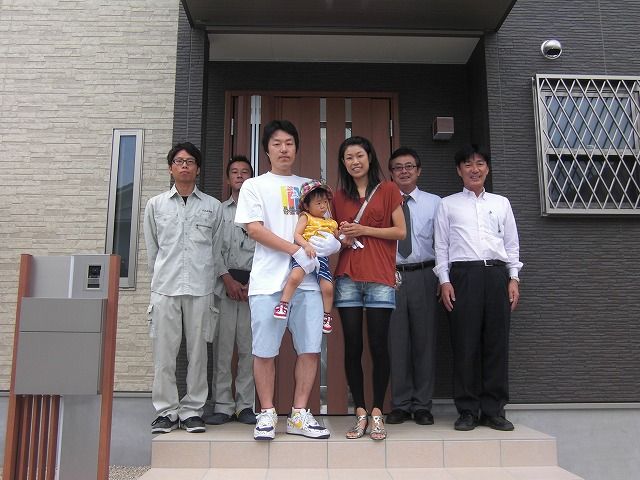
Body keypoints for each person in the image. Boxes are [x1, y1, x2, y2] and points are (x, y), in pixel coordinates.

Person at [234, 119, 341, 441]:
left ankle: (298, 414)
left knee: (310, 349)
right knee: (264, 351)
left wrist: (331, 244)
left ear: (296, 148)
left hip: (309, 283)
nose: (284, 149)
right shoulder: (254, 186)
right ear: (267, 150)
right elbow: (254, 229)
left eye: (289, 143)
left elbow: (326, 224)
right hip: (269, 281)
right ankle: (266, 413)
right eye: (277, 143)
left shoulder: (310, 185)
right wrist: (296, 249)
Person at [433, 144, 522, 432]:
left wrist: (513, 278)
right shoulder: (447, 204)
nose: (475, 169)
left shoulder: (501, 203)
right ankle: (468, 410)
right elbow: (441, 246)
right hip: (463, 276)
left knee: (496, 343)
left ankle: (493, 410)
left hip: (496, 275)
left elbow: (511, 244)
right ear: (459, 170)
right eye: (468, 164)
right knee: (465, 344)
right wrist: (444, 280)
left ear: (488, 168)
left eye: (480, 163)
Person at [144, 142, 223, 434]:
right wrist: (158, 281)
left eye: (190, 161)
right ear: (170, 168)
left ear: (198, 169)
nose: (184, 166)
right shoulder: (155, 205)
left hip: (201, 288)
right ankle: (166, 412)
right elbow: (153, 249)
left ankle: (192, 411)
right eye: (179, 161)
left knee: (198, 354)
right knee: (164, 355)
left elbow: (216, 250)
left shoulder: (212, 206)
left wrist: (212, 284)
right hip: (165, 288)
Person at [332, 136, 406, 441]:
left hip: (379, 276)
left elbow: (400, 231)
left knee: (378, 345)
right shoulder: (338, 197)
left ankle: (377, 411)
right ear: (343, 163)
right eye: (348, 157)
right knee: (352, 347)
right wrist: (343, 237)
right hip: (348, 276)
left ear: (370, 158)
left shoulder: (388, 190)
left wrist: (363, 229)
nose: (355, 162)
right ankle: (360, 412)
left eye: (359, 155)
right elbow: (334, 237)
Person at [386, 147, 441, 426]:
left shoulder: (435, 203)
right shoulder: (384, 203)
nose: (404, 171)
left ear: (418, 170)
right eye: (398, 167)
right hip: (392, 277)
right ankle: (400, 404)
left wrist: (444, 279)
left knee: (424, 341)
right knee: (396, 342)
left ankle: (422, 405)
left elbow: (444, 244)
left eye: (409, 166)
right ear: (391, 173)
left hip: (425, 274)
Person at [205, 156, 257, 426]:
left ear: (251, 178)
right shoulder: (219, 211)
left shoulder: (260, 212)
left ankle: (245, 405)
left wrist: (253, 283)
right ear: (228, 179)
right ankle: (223, 405)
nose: (239, 175)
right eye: (234, 172)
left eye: (244, 172)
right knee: (223, 349)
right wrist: (226, 279)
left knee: (249, 349)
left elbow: (266, 250)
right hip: (223, 285)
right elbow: (211, 249)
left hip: (253, 288)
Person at [274, 180, 339, 335]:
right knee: (295, 277)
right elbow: (297, 234)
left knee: (328, 287)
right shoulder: (306, 217)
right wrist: (306, 246)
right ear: (307, 206)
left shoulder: (331, 222)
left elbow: (338, 237)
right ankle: (283, 303)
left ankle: (327, 315)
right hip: (305, 254)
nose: (323, 206)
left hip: (321, 257)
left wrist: (339, 240)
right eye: (318, 203)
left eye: (325, 202)